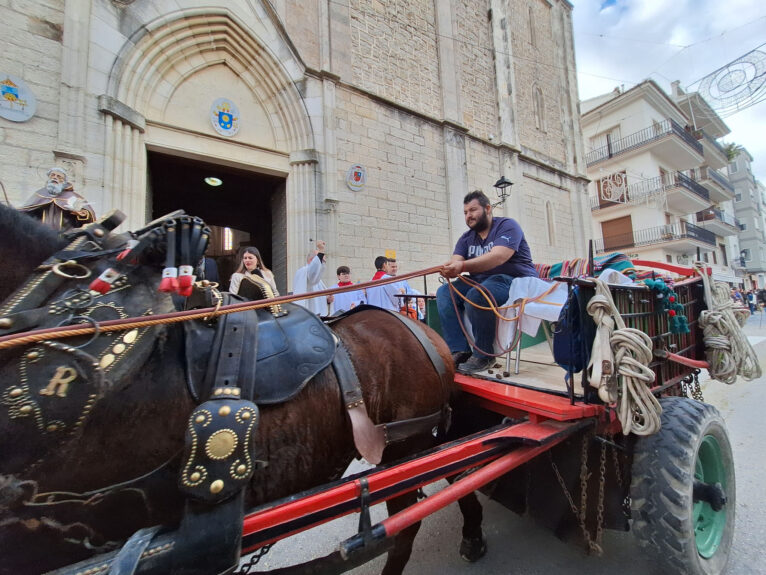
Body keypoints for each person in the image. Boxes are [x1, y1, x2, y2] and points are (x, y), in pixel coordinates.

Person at [437, 190, 537, 374]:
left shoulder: (507, 226)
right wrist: (449, 269)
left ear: (488, 208)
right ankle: (460, 350)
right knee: (444, 292)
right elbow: (456, 261)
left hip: (514, 279)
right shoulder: (466, 238)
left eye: (473, 210)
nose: (469, 216)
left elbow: (498, 257)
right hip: (482, 280)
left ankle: (485, 356)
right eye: (465, 212)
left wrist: (461, 265)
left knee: (478, 294)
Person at [18, 167, 96, 231]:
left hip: (65, 237)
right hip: (41, 235)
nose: (55, 177)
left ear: (64, 182)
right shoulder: (40, 194)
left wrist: (80, 213)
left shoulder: (73, 196)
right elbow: (26, 211)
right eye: (53, 175)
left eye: (59, 176)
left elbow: (89, 218)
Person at [293, 240, 333, 315]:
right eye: (321, 261)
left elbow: (319, 297)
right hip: (308, 314)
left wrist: (327, 299)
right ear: (312, 260)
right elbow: (312, 276)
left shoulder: (319, 281)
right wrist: (321, 250)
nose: (322, 264)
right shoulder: (303, 272)